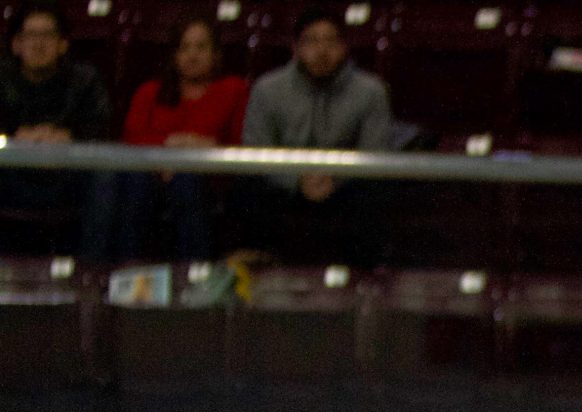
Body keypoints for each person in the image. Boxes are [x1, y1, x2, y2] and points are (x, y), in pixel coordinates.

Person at [241, 7, 392, 264]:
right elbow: (256, 149)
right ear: (296, 48)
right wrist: (297, 180)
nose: (322, 51)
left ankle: (364, 284)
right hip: (285, 183)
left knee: (374, 192)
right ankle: (258, 277)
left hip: (343, 184)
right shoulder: (267, 89)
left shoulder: (371, 92)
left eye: (331, 42)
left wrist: (334, 178)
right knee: (248, 188)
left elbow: (374, 154)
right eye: (312, 41)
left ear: (344, 48)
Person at [116, 18, 248, 263]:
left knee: (186, 180)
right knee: (136, 181)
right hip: (152, 176)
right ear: (174, 55)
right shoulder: (149, 92)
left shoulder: (234, 90)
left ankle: (195, 276)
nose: (192, 55)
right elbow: (132, 138)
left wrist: (205, 151)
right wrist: (168, 149)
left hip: (210, 179)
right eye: (184, 48)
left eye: (201, 48)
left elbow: (241, 142)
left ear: (216, 54)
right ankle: (129, 275)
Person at [0, 2, 114, 258]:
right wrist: (13, 139)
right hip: (13, 176)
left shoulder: (85, 79)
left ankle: (90, 273)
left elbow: (101, 130)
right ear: (16, 44)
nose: (38, 44)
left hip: (67, 177)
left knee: (106, 175)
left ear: (63, 44)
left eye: (47, 36)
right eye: (31, 36)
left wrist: (68, 139)